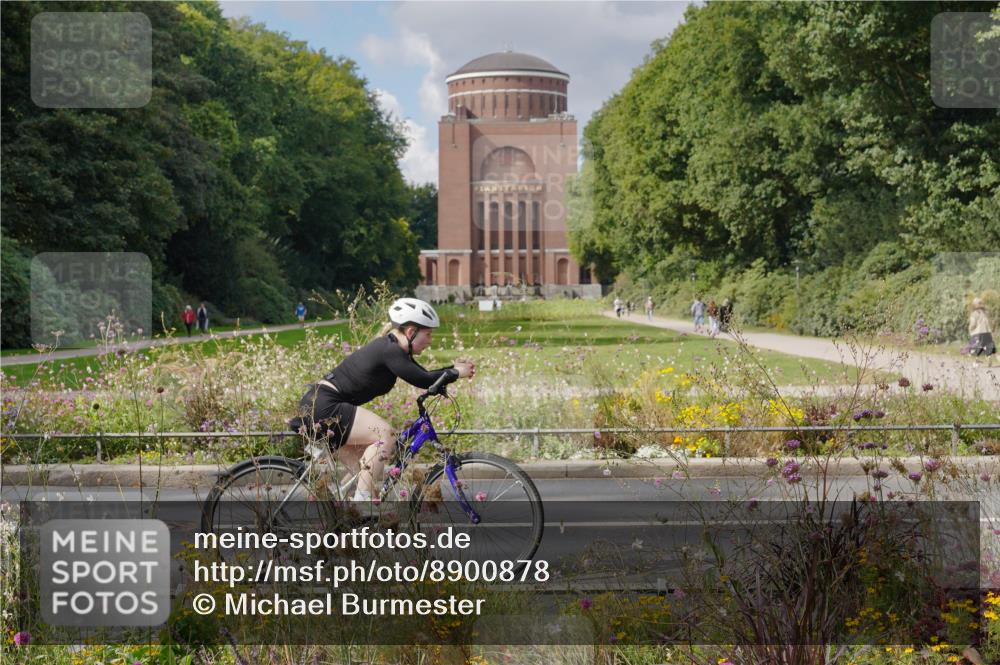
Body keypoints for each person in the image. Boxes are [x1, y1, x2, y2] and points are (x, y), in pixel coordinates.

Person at [289, 298, 476, 502]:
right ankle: (362, 501)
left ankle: (343, 513)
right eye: (428, 334)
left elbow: (425, 375)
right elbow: (423, 380)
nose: (430, 340)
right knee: (385, 435)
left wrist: (452, 370)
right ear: (411, 332)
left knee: (364, 471)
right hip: (325, 406)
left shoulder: (393, 349)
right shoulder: (390, 350)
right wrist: (456, 372)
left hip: (320, 404)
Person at [968, 297, 995, 362]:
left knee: (977, 346)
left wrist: (970, 329)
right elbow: (990, 321)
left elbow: (973, 324)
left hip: (978, 332)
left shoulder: (974, 314)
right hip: (987, 332)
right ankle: (988, 356)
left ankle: (977, 359)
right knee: (987, 345)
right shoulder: (986, 313)